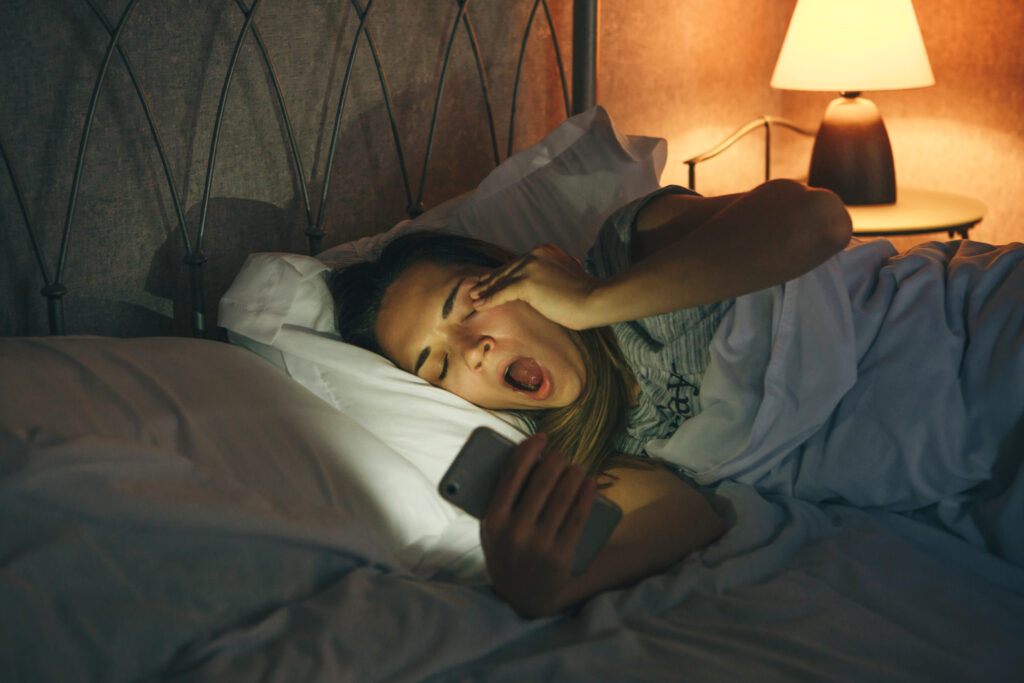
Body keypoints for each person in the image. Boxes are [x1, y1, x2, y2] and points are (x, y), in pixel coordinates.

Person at [330, 179, 1023, 616]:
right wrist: (540, 588)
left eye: (468, 304)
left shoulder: (628, 247)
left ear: (526, 270)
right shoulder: (597, 452)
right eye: (437, 364)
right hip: (978, 463)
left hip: (981, 325)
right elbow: (687, 518)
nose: (472, 348)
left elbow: (818, 221)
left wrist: (593, 301)